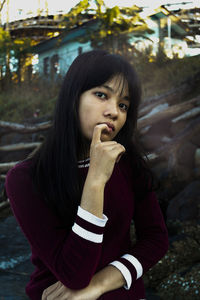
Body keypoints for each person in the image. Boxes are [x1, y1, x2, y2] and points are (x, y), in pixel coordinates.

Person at [5, 50, 169, 300]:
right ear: (74, 97)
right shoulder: (25, 179)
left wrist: (99, 284)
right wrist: (95, 181)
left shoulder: (128, 164)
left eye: (123, 104)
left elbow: (156, 239)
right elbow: (74, 274)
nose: (114, 111)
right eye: (102, 95)